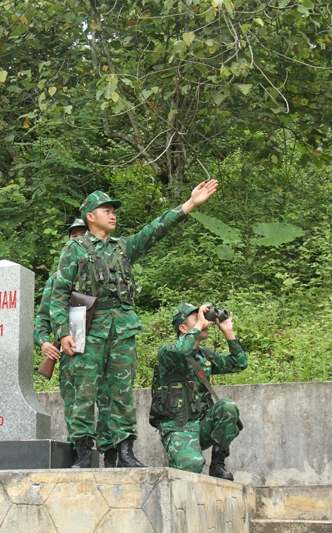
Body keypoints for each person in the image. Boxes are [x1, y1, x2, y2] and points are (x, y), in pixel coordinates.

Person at [49, 181, 219, 468]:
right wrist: (63, 332)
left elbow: (155, 231)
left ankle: (125, 450)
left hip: (122, 327)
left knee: (122, 391)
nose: (113, 215)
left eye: (114, 210)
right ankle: (83, 453)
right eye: (106, 210)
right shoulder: (74, 249)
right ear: (90, 216)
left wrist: (188, 205)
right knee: (84, 391)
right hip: (86, 327)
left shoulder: (123, 247)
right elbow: (59, 294)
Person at [153, 303, 247, 479]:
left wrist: (228, 331)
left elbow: (238, 363)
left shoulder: (205, 356)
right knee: (191, 466)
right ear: (183, 328)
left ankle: (218, 464)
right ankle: (181, 454)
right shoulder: (167, 353)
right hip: (178, 428)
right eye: (197, 318)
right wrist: (198, 326)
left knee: (227, 407)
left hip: (202, 424)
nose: (204, 321)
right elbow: (181, 351)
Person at [34, 218, 90, 457]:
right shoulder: (56, 279)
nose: (77, 239)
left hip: (99, 345)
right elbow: (41, 321)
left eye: (82, 235)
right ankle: (80, 453)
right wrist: (45, 343)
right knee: (74, 406)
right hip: (69, 352)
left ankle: (111, 453)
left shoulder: (101, 268)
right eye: (73, 235)